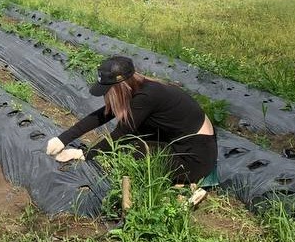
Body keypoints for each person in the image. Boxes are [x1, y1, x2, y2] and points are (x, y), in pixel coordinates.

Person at [45, 56, 217, 186]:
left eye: (107, 90)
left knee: (127, 150)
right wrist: (62, 139)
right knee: (129, 142)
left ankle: (180, 182)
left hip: (194, 158)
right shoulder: (139, 87)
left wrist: (83, 155)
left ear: (120, 86)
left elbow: (119, 134)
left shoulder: (146, 97)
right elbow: (102, 115)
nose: (105, 94)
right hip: (188, 144)